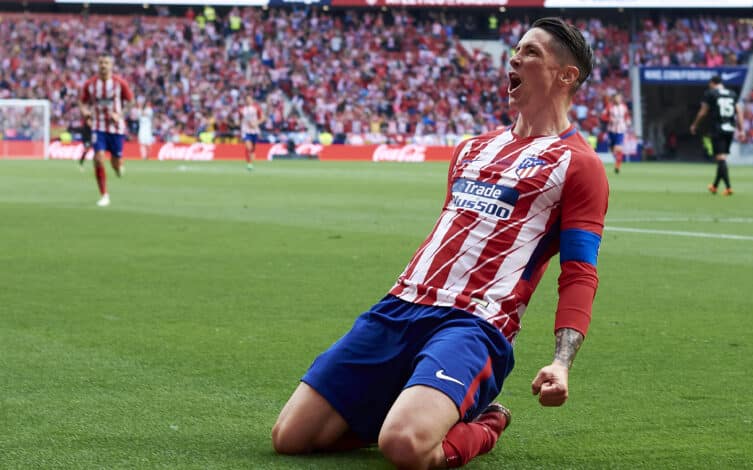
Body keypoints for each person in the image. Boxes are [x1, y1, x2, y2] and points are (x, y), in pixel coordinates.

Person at [272, 17, 609, 469]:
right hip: (399, 306)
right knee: (290, 437)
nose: (514, 59)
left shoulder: (579, 165)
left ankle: (486, 423)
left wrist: (561, 362)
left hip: (474, 322)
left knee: (405, 447)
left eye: (531, 52)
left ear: (566, 76)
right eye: (515, 49)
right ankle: (413, 402)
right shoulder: (470, 149)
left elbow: (579, 272)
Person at [80, 54, 134, 207]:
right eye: (101, 63)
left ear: (111, 66)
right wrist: (85, 112)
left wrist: (120, 115)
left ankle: (118, 166)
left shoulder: (119, 83)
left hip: (116, 129)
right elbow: (82, 102)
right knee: (98, 158)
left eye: (106, 63)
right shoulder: (90, 84)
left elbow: (131, 102)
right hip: (98, 127)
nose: (103, 65)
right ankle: (104, 195)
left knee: (116, 163)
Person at [690, 75, 743, 196]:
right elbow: (739, 112)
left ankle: (728, 187)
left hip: (718, 128)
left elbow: (703, 112)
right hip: (730, 128)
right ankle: (714, 186)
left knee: (721, 159)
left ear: (712, 83)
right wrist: (742, 130)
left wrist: (694, 124)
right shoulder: (732, 93)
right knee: (721, 158)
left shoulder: (710, 93)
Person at [603, 92, 631, 174]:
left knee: (618, 148)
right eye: (617, 98)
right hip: (611, 130)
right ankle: (617, 160)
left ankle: (617, 166)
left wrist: (628, 121)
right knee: (612, 149)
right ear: (614, 99)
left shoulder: (624, 107)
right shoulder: (609, 107)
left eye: (619, 98)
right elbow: (603, 116)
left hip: (621, 130)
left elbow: (626, 116)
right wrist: (609, 120)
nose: (618, 99)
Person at [239, 95, 263, 171]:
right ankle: (249, 164)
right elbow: (240, 120)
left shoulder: (256, 108)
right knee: (248, 147)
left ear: (252, 100)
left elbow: (262, 118)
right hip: (246, 130)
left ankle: (250, 162)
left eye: (250, 99)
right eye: (247, 99)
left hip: (255, 130)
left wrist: (256, 124)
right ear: (245, 101)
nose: (248, 101)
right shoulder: (241, 109)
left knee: (253, 149)